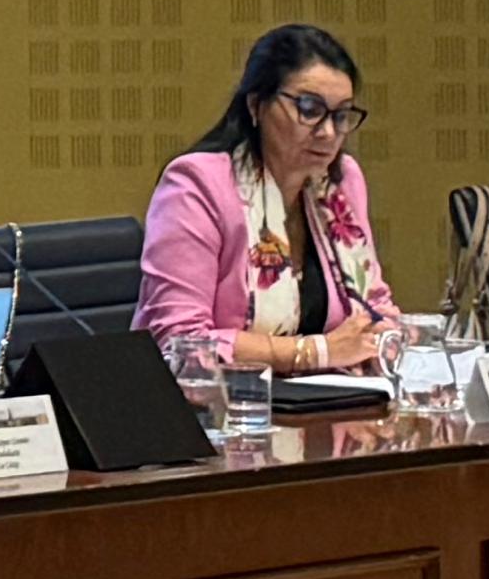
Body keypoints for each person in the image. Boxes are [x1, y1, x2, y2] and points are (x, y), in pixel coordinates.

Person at [139, 23, 402, 371]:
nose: (328, 132)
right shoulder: (196, 185)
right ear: (256, 105)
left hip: (328, 398)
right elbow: (180, 342)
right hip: (219, 401)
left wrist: (385, 337)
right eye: (309, 109)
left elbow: (374, 305)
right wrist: (315, 352)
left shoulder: (342, 181)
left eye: (340, 115)